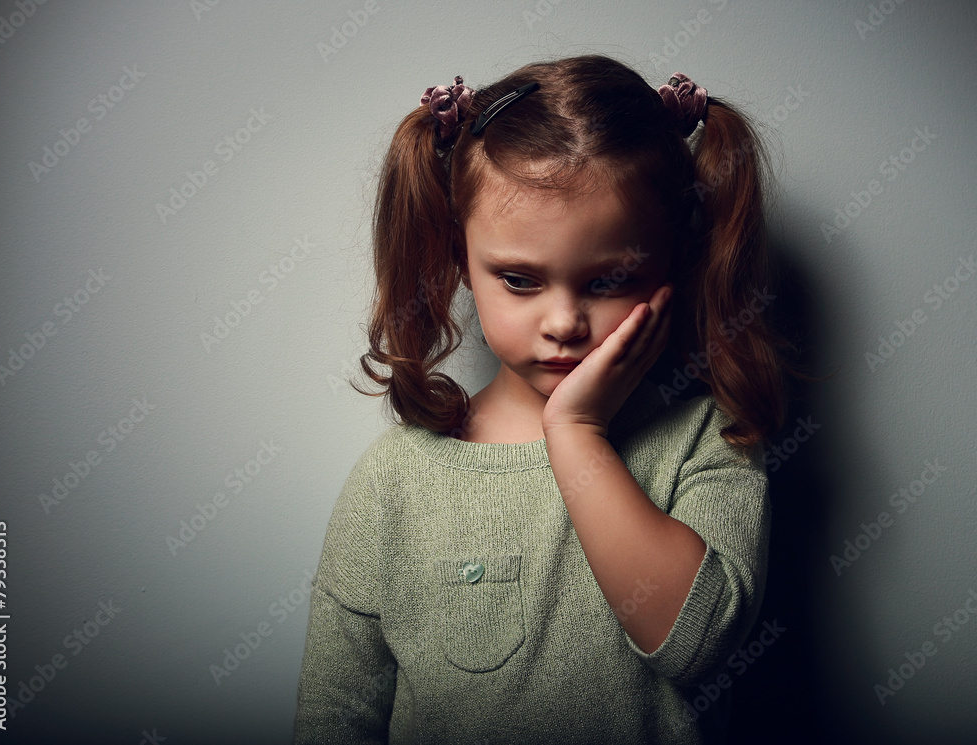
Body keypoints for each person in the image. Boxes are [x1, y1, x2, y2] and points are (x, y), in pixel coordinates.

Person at [293, 54, 801, 744]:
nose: (563, 322)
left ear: (673, 260)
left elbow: (698, 641)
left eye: (607, 280)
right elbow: (333, 717)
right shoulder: (396, 479)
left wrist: (578, 432)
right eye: (521, 280)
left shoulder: (709, 440)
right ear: (460, 259)